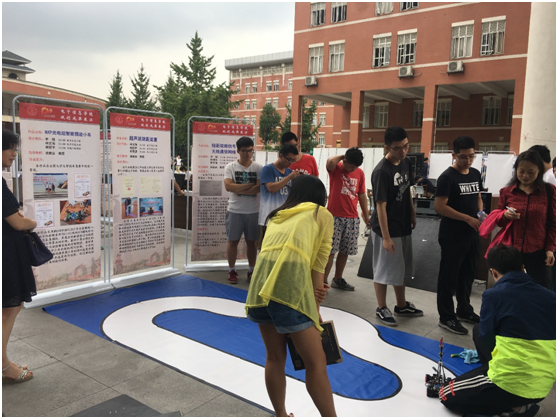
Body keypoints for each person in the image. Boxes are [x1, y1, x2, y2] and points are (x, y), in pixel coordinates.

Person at [245, 175, 336, 417]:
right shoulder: (320, 213)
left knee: (275, 358)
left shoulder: (276, 215)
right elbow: (319, 264)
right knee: (316, 363)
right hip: (289, 292)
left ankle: (281, 415)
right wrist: (314, 310)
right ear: (320, 198)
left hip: (259, 291)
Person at [439, 245, 555, 417]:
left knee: (445, 393)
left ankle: (514, 408)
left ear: (493, 272)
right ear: (523, 268)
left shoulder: (493, 295)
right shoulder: (551, 296)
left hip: (511, 384)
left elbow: (487, 335)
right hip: (543, 386)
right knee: (478, 329)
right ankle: (515, 398)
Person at [370, 127, 423, 326]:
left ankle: (401, 305)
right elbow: (380, 206)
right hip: (386, 228)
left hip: (403, 224)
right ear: (387, 148)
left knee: (401, 267)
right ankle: (381, 307)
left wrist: (412, 212)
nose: (403, 151)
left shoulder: (406, 162)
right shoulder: (381, 171)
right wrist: (386, 237)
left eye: (406, 146)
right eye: (397, 148)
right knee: (383, 269)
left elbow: (407, 189)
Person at [434, 136, 483, 334]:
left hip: (472, 234)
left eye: (471, 156)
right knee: (449, 277)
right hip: (452, 235)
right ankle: (446, 317)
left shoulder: (475, 173)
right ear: (454, 155)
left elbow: (478, 197)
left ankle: (464, 309)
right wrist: (467, 218)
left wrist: (480, 213)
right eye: (463, 157)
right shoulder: (447, 177)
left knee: (467, 276)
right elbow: (440, 207)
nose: (468, 160)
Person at [491, 150, 555, 289]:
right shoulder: (506, 191)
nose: (525, 176)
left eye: (531, 172)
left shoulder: (549, 191)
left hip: (538, 250)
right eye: (521, 171)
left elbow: (553, 223)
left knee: (541, 289)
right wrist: (505, 215)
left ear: (539, 171)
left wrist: (550, 249)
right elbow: (499, 221)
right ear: (516, 170)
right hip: (511, 250)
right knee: (510, 288)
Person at [2, 129, 36, 383]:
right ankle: (3, 367)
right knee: (10, 307)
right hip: (5, 255)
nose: (14, 153)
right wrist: (31, 222)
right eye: (9, 148)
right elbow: (17, 223)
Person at [324, 147, 369, 291]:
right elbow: (330, 162)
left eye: (356, 166)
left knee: (345, 250)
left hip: (352, 218)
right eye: (351, 165)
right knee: (330, 251)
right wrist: (344, 156)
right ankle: (322, 281)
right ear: (345, 160)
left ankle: (337, 278)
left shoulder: (360, 173)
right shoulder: (336, 169)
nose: (353, 169)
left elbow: (362, 194)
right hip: (334, 217)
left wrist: (366, 215)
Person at [223, 136, 262, 284]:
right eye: (245, 151)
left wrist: (238, 187)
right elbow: (228, 187)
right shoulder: (230, 167)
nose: (248, 154)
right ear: (238, 151)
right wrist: (249, 185)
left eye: (251, 150)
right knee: (232, 241)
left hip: (253, 211)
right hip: (234, 210)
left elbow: (258, 189)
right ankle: (232, 270)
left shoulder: (258, 167)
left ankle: (251, 270)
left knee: (252, 243)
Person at [258, 144, 300, 239]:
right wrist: (288, 178)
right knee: (267, 244)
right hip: (269, 216)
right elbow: (271, 189)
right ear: (280, 156)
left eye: (293, 160)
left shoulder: (290, 172)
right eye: (289, 159)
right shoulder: (268, 169)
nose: (291, 163)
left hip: (285, 216)